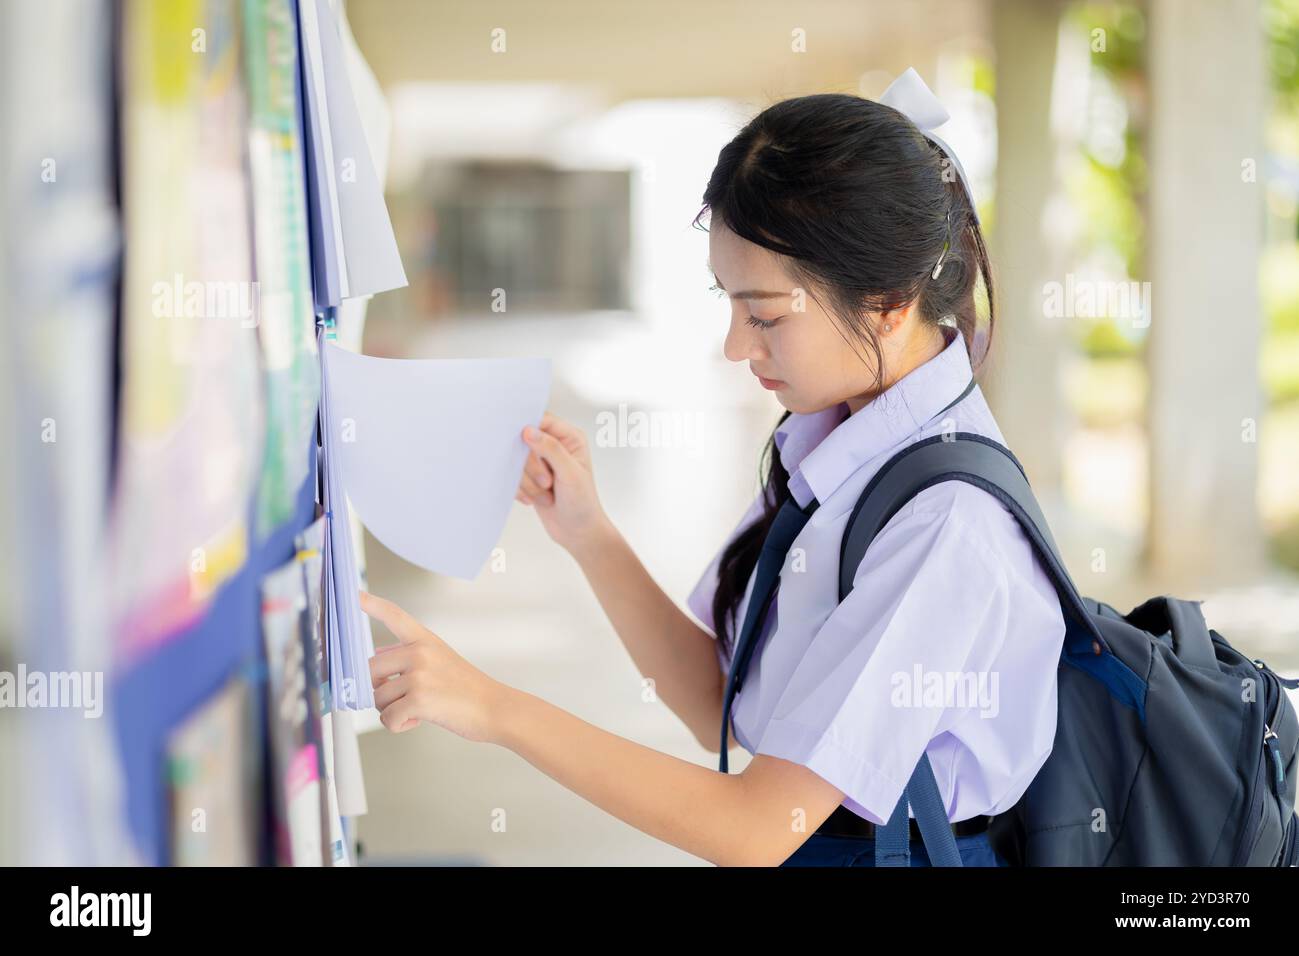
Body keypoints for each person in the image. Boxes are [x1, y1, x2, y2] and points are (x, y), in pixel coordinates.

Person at [361, 70, 1067, 867]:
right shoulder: (837, 439)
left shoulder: (945, 527)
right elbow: (719, 707)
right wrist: (588, 532)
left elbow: (757, 826)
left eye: (764, 314)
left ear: (888, 302)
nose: (736, 346)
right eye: (727, 303)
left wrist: (492, 707)